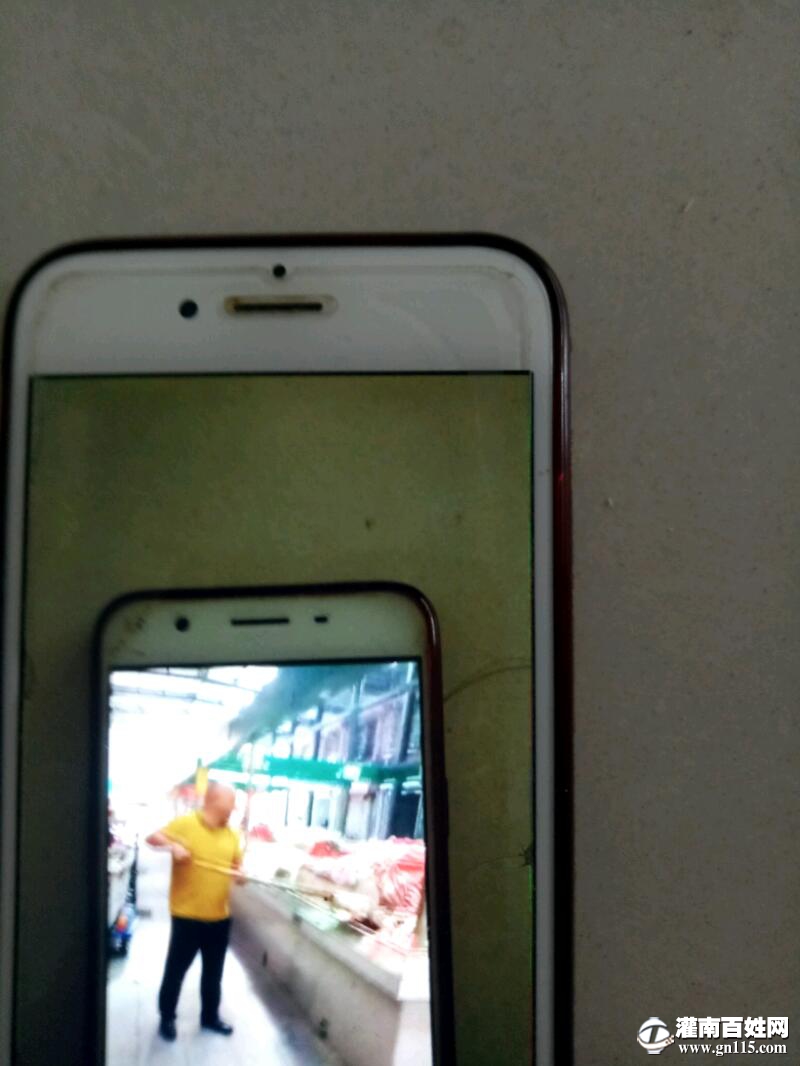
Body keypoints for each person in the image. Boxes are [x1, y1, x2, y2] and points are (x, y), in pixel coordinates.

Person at [146, 782, 245, 1042]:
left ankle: (210, 1017)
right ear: (215, 800)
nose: (234, 808)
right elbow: (152, 838)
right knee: (176, 971)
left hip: (219, 918)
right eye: (231, 802)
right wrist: (173, 846)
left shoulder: (233, 835)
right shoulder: (186, 824)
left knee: (214, 974)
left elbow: (237, 868)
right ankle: (167, 1017)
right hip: (187, 916)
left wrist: (241, 875)